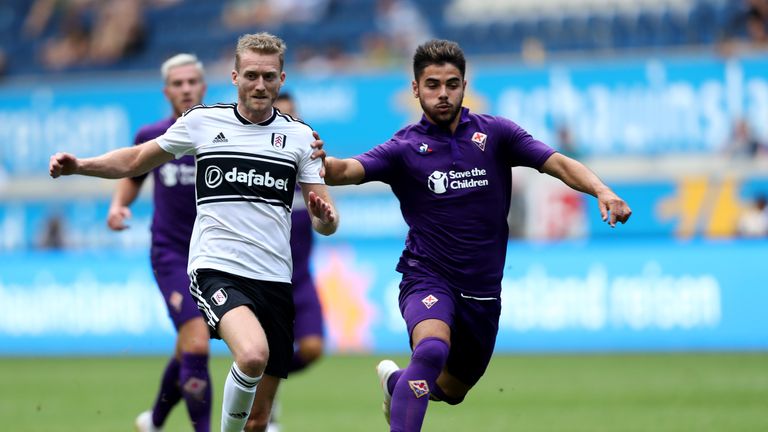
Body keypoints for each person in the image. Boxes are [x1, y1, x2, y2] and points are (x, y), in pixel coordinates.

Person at [322, 39, 631, 432]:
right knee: (431, 349)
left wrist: (602, 190)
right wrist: (320, 162)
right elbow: (347, 170)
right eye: (432, 85)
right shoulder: (403, 148)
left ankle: (397, 386)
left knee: (450, 390)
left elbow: (555, 162)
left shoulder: (496, 134)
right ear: (415, 89)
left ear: (464, 85)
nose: (443, 93)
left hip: (483, 294)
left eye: (451, 84)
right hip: (427, 276)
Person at [49, 32, 338, 432]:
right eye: (251, 75)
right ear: (234, 77)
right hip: (216, 269)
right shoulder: (202, 123)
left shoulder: (301, 137)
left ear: (282, 79)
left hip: (274, 279)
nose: (260, 85)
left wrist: (325, 216)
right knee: (251, 355)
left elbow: (326, 221)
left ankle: (158, 419)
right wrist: (79, 165)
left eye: (269, 77)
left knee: (259, 421)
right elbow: (136, 159)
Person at [104, 53, 211, 432]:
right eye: (178, 84)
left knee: (187, 345)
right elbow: (132, 174)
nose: (185, 89)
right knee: (197, 343)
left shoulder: (222, 134)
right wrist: (118, 206)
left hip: (215, 258)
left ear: (204, 86)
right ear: (167, 91)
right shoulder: (153, 137)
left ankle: (154, 422)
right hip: (171, 254)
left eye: (191, 82)